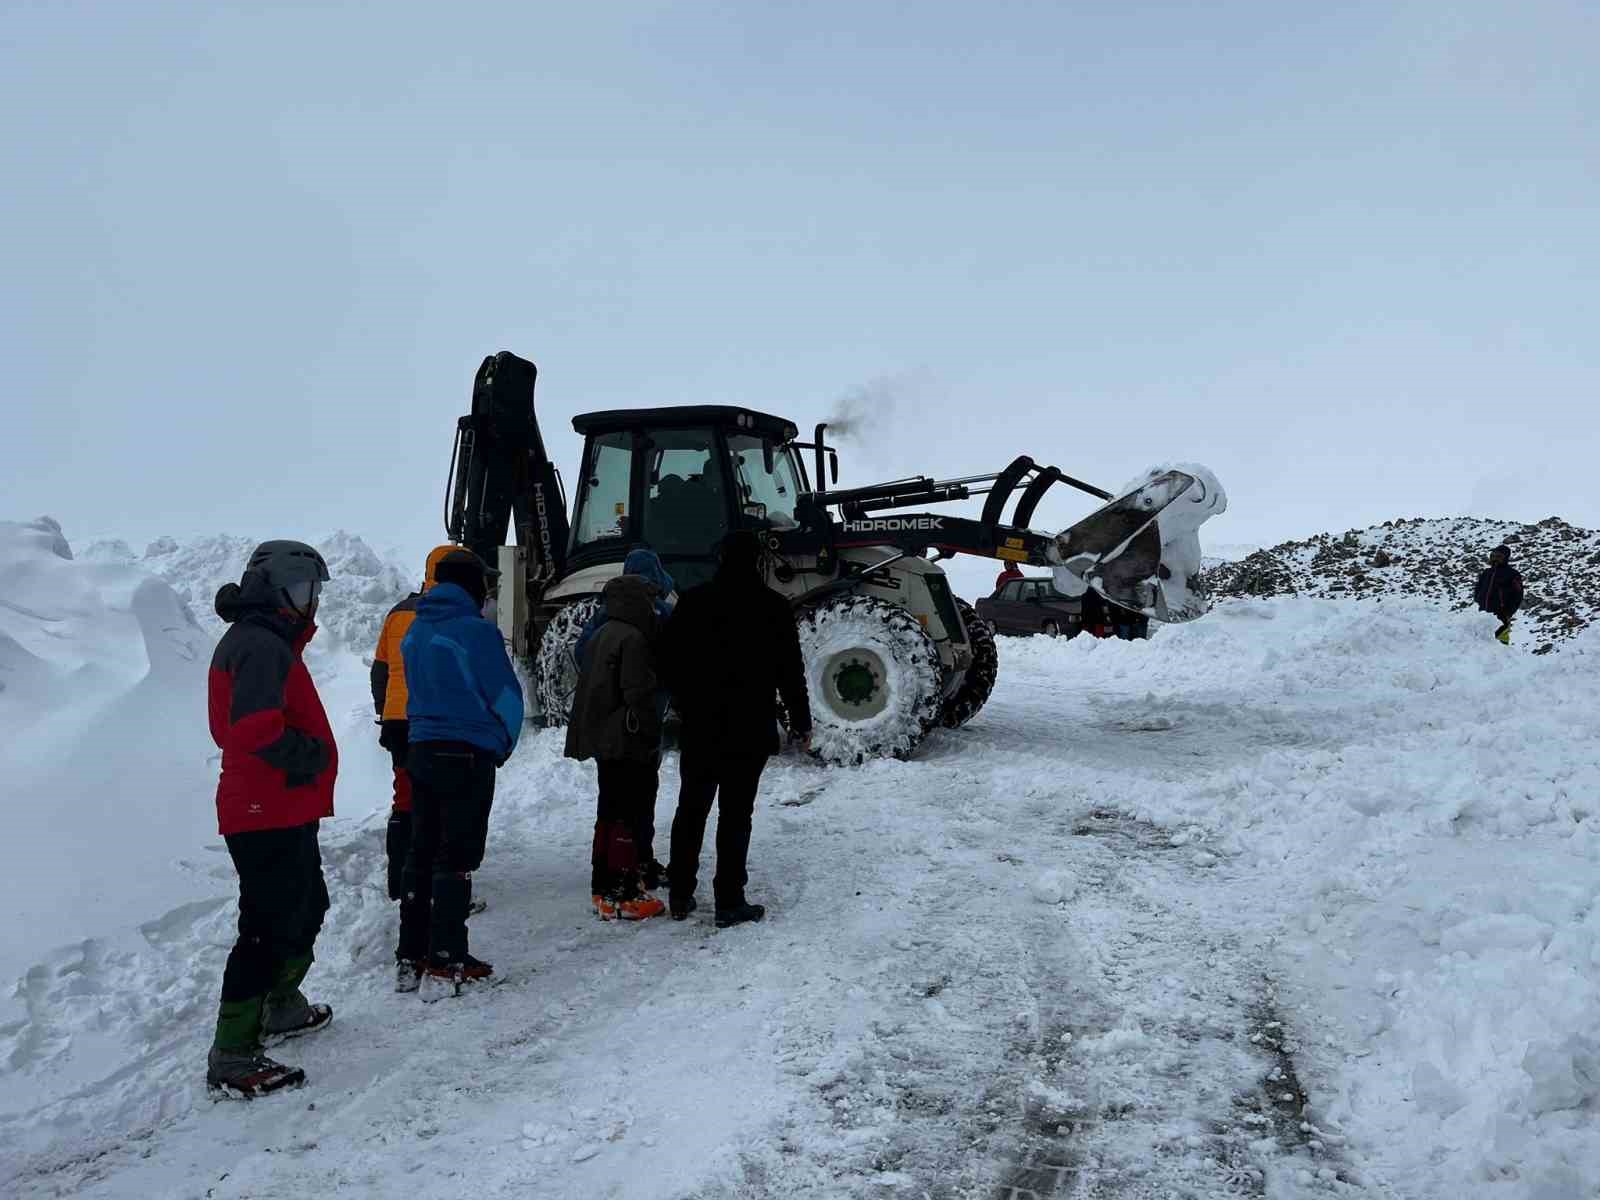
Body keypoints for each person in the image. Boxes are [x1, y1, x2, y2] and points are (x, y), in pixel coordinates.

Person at [205, 541, 338, 1098]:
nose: (312, 603)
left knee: (307, 907)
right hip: (262, 806)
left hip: (282, 804)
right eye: (305, 591)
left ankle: (280, 1005)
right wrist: (309, 755)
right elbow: (254, 729)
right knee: (267, 925)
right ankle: (232, 1050)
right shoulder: (259, 645)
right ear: (279, 589)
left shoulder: (268, 641)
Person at [658, 530, 812, 928]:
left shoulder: (694, 602)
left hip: (701, 726)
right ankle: (729, 901)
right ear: (758, 562)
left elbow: (668, 660)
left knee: (691, 809)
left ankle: (679, 892)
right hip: (748, 728)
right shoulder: (773, 607)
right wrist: (800, 720)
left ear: (721, 560)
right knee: (735, 815)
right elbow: (790, 671)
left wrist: (683, 700)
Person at [399, 548, 524, 1000]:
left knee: (421, 851)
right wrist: (504, 743)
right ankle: (448, 957)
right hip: (466, 754)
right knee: (456, 856)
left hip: (422, 749)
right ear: (473, 586)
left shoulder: (415, 630)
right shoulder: (475, 632)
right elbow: (506, 697)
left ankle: (410, 955)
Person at [371, 545, 457, 988]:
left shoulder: (398, 613)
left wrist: (384, 711)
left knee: (402, 797)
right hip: (430, 721)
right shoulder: (452, 615)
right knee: (432, 804)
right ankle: (427, 883)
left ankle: (398, 878)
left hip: (397, 721)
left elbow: (379, 671)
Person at [565, 573, 668, 920]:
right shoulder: (633, 638)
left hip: (602, 739)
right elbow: (637, 694)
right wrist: (653, 733)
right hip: (626, 740)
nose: (653, 608)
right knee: (627, 812)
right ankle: (623, 893)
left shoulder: (600, 635)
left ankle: (603, 885)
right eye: (649, 601)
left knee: (608, 813)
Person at [1474, 544, 1525, 645]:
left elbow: (1518, 595)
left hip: (1501, 615)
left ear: (1505, 558)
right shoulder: (1486, 572)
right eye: (1493, 555)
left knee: (1499, 645)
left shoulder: (1512, 574)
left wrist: (1508, 612)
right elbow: (1478, 588)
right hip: (1482, 614)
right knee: (1479, 643)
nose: (1495, 558)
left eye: (1499, 556)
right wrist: (1478, 601)